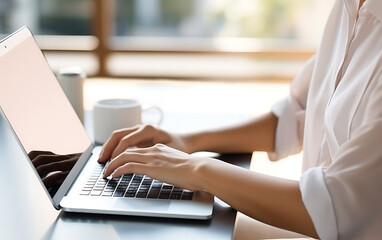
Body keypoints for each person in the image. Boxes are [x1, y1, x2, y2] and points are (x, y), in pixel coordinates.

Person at [98, 0, 382, 238]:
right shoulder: (349, 9)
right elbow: (296, 116)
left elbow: (331, 208)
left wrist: (196, 169)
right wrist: (189, 141)